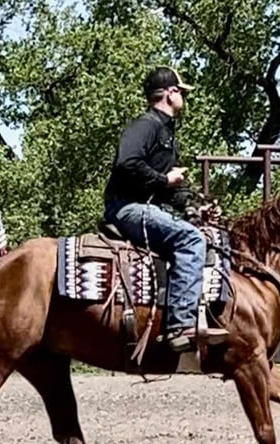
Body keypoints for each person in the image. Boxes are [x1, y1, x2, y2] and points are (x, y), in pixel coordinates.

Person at [103, 66, 229, 353]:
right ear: (170, 93)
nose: (184, 97)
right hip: (127, 208)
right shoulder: (146, 125)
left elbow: (166, 189)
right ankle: (180, 326)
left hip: (145, 206)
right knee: (192, 240)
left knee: (202, 230)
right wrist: (164, 178)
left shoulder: (166, 133)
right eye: (182, 92)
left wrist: (198, 206)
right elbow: (127, 163)